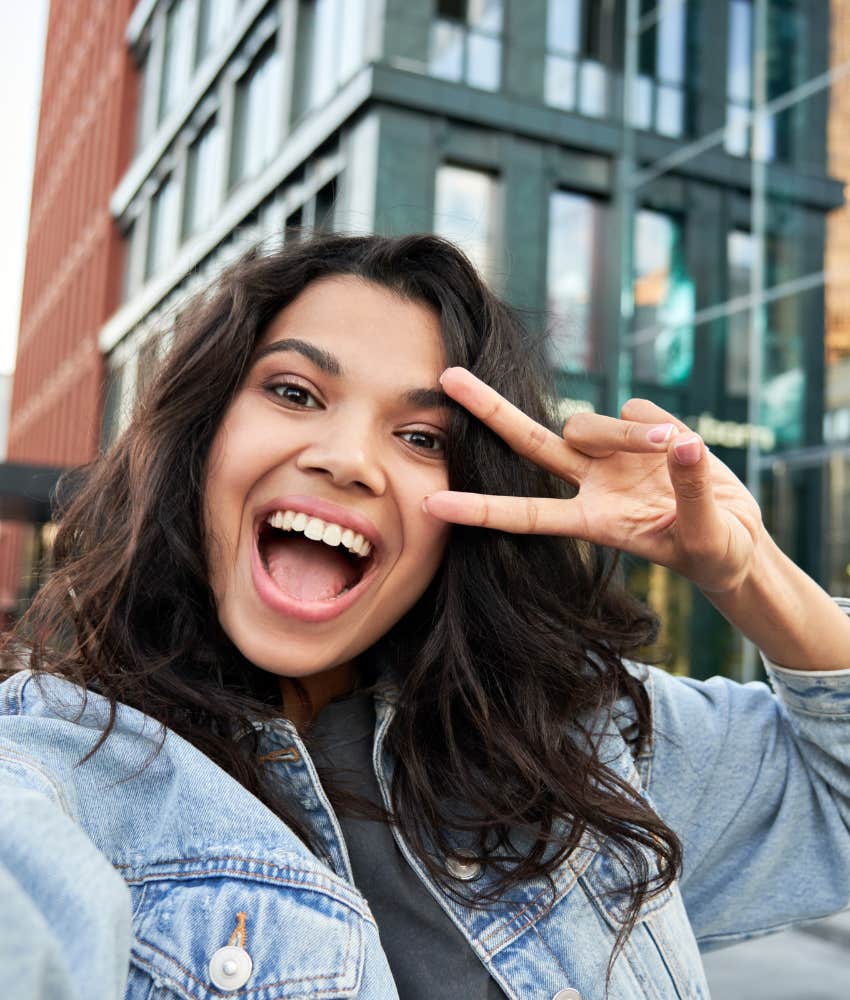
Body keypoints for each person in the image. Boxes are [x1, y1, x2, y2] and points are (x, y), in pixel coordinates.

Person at [1, 232, 849, 1000]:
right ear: (203, 434)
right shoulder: (57, 763)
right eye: (295, 392)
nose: (346, 460)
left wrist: (748, 571)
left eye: (422, 438)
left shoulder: (575, 743)